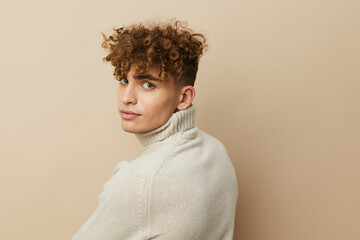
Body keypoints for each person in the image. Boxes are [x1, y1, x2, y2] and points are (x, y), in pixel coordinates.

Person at [72, 20, 238, 240]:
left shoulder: (138, 181)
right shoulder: (216, 150)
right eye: (123, 80)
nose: (127, 98)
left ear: (184, 97)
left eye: (147, 84)